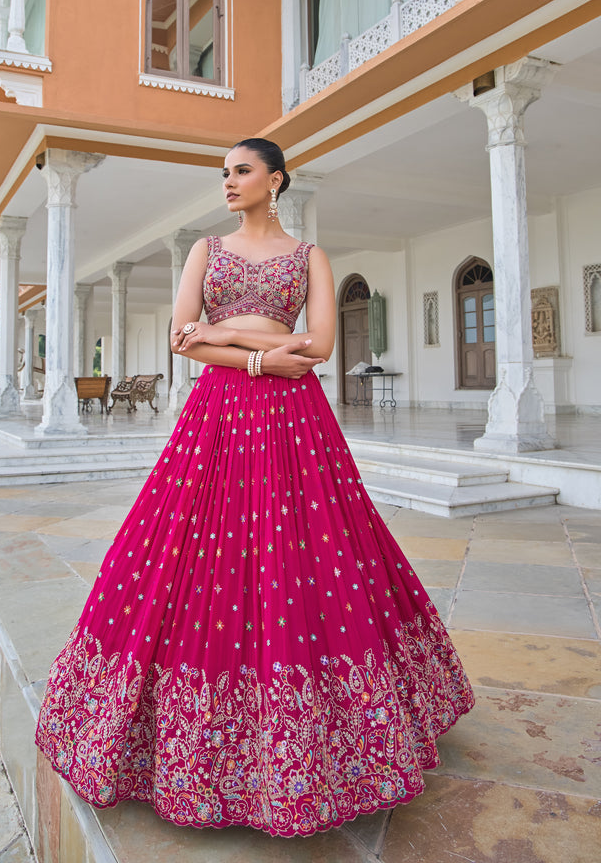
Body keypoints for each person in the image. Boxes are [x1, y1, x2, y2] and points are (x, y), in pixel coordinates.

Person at [35, 138, 474, 837]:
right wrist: (265, 344)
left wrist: (229, 333)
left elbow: (320, 347)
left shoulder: (310, 258)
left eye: (242, 171)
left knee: (305, 556)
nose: (229, 183)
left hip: (294, 425)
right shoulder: (205, 250)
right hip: (216, 416)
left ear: (276, 179)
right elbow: (184, 337)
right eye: (224, 174)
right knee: (195, 556)